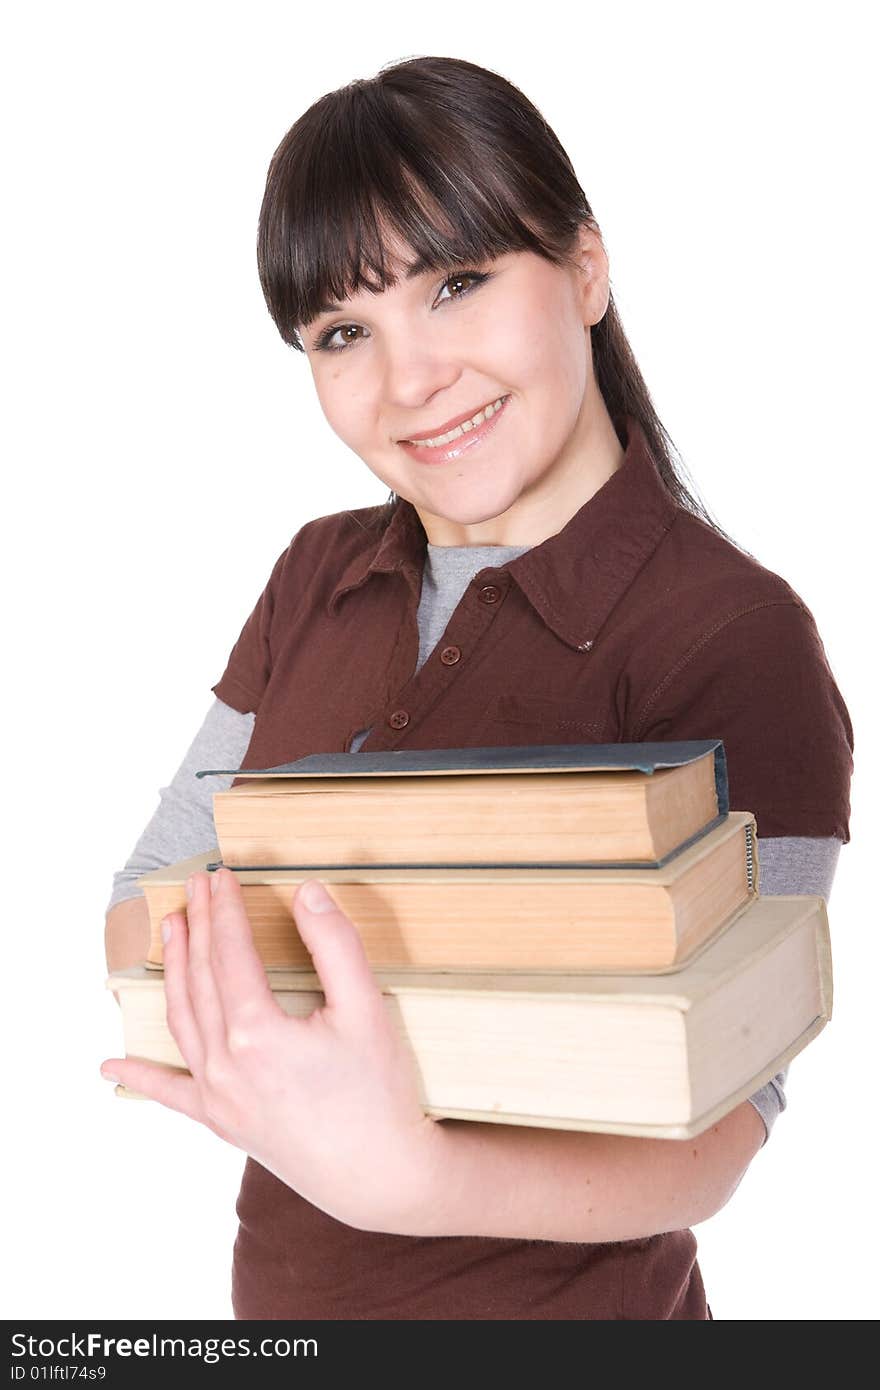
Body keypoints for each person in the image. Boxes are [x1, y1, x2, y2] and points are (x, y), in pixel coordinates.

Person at [102, 55, 853, 1320]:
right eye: (345, 332)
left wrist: (409, 1169)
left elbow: (719, 1117)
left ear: (585, 267)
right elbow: (136, 914)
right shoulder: (314, 574)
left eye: (456, 285)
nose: (410, 382)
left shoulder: (735, 635)